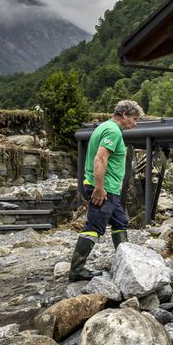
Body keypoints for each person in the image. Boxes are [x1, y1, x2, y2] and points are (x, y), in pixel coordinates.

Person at [68, 99, 143, 281]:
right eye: (134, 119)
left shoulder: (104, 127)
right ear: (124, 115)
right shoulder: (112, 131)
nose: (135, 123)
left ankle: (125, 263)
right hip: (104, 188)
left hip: (109, 189)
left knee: (120, 221)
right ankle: (76, 271)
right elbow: (100, 159)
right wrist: (100, 189)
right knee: (94, 226)